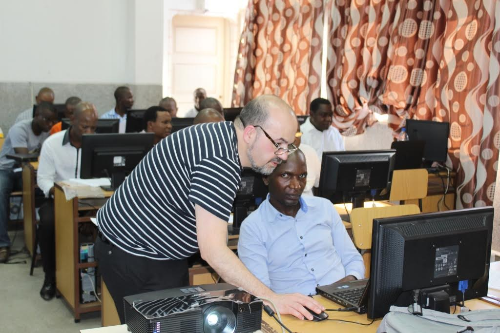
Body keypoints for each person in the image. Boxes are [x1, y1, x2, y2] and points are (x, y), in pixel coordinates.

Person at [95, 95, 324, 323]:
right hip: (133, 253)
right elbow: (213, 251)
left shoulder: (224, 138)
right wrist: (272, 298)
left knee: (181, 326)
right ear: (250, 133)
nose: (283, 155)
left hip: (163, 254)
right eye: (279, 144)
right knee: (159, 328)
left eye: (289, 145)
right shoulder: (219, 160)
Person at [238, 150, 365, 295]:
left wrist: (347, 283)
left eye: (302, 176)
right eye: (286, 175)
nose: (296, 185)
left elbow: (352, 259)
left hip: (341, 295)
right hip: (294, 310)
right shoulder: (253, 227)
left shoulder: (324, 207)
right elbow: (260, 290)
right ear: (266, 178)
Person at [36, 102, 98, 300]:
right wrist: (59, 194)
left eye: (93, 128)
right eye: (84, 126)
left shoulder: (98, 143)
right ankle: (50, 278)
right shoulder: (52, 144)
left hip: (91, 201)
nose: (89, 132)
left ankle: (99, 282)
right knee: (47, 222)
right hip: (59, 200)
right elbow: (43, 178)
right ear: (72, 121)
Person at [0, 102, 58, 263]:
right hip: (7, 170)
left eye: (53, 121)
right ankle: (3, 244)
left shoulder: (48, 132)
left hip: (28, 172)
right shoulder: (19, 128)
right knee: (0, 194)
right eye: (48, 120)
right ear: (37, 116)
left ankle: (40, 244)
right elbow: (24, 157)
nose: (51, 124)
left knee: (44, 191)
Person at [300, 98, 345, 162]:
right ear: (312, 114)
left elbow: (342, 158)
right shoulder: (300, 134)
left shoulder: (335, 133)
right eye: (324, 115)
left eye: (330, 115)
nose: (329, 119)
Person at [294, 123, 321, 196]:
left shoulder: (310, 152)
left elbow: (318, 184)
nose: (294, 138)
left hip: (309, 204)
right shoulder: (273, 155)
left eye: (297, 133)